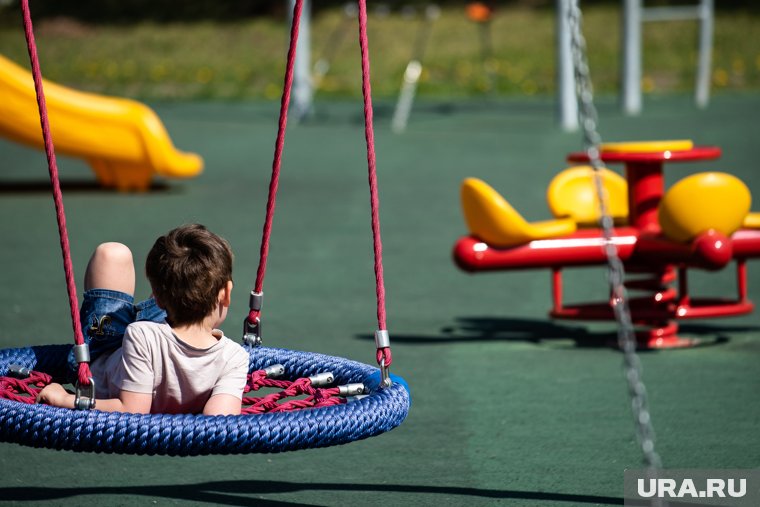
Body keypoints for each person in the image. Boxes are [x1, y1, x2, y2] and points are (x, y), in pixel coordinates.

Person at [36, 224, 250, 416]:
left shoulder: (141, 335)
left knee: (112, 254)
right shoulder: (235, 358)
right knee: (185, 279)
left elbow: (131, 410)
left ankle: (167, 292)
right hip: (147, 341)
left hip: (102, 354)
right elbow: (219, 420)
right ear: (226, 293)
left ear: (156, 298)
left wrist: (65, 399)